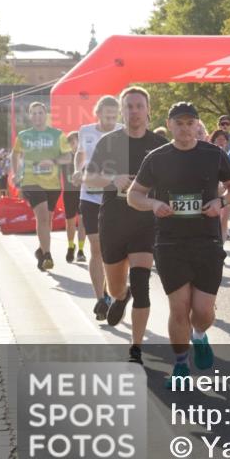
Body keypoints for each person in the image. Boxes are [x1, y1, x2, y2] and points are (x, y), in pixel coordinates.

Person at [128, 102, 230, 387]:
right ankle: (181, 365)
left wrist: (221, 201)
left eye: (190, 123)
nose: (184, 128)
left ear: (197, 125)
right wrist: (153, 203)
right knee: (179, 308)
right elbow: (134, 195)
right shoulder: (157, 158)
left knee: (203, 312)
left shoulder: (213, 154)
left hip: (207, 241)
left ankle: (200, 336)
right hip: (170, 243)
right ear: (169, 125)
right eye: (178, 123)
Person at [85, 87, 167, 363]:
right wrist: (113, 178)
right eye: (129, 106)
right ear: (122, 111)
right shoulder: (109, 142)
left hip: (145, 223)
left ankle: (136, 347)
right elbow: (88, 178)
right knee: (117, 287)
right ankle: (121, 296)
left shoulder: (159, 145)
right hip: (113, 222)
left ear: (148, 110)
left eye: (139, 106)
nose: (134, 111)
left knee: (142, 282)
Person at [75, 95, 122, 317]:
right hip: (90, 196)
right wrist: (78, 169)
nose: (111, 120)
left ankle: (115, 292)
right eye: (107, 115)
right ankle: (100, 299)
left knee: (113, 249)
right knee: (96, 248)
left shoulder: (124, 130)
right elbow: (80, 154)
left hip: (115, 197)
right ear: (98, 113)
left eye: (114, 115)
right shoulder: (86, 131)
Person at [11, 102, 73, 272]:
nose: (37, 116)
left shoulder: (58, 135)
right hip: (31, 181)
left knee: (48, 220)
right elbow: (14, 154)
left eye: (40, 113)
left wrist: (52, 161)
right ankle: (47, 255)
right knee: (43, 217)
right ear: (30, 116)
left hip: (52, 184)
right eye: (34, 113)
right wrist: (16, 173)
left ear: (46, 115)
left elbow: (68, 157)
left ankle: (40, 250)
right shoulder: (24, 135)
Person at [60, 131, 86, 264]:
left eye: (74, 141)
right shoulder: (65, 157)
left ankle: (81, 250)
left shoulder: (86, 156)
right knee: (70, 222)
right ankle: (71, 246)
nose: (73, 144)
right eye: (70, 142)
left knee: (82, 221)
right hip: (69, 193)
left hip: (83, 193)